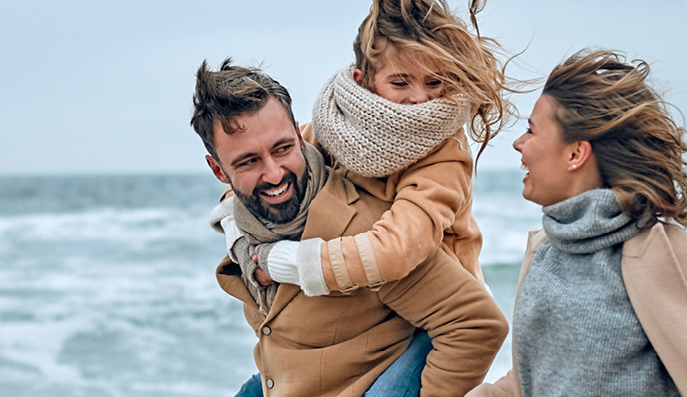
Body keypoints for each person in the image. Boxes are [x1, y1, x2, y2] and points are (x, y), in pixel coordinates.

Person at [466, 49, 687, 397]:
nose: (518, 143)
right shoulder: (544, 253)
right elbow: (533, 380)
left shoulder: (683, 261)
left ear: (576, 153)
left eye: (531, 130)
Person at [192, 59, 507, 397]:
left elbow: (478, 324)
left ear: (299, 136)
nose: (274, 174)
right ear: (218, 170)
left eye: (282, 148)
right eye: (249, 161)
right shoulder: (246, 226)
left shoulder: (363, 230)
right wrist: (241, 243)